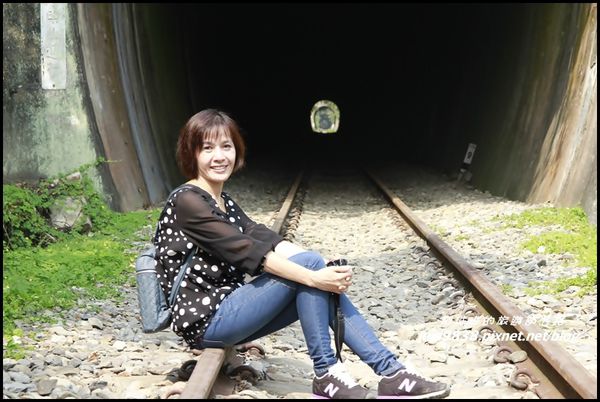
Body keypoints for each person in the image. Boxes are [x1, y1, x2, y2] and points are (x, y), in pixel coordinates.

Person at [153, 109, 451, 399]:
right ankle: (330, 372)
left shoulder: (222, 200)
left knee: (313, 268)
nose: (219, 156)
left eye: (226, 146)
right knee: (310, 272)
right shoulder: (188, 201)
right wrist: (314, 274)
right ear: (191, 153)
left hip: (229, 311)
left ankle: (391, 372)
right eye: (207, 148)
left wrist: (322, 266)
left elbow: (264, 238)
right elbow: (249, 253)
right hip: (206, 321)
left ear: (237, 150)